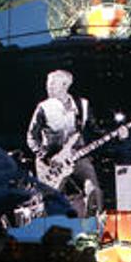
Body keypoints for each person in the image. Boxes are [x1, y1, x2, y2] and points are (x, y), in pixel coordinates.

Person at [26, 69, 103, 216]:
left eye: (53, 84)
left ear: (65, 85)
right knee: (50, 201)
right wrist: (45, 156)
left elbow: (96, 130)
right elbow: (31, 136)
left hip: (77, 156)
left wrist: (120, 133)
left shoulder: (82, 105)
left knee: (94, 190)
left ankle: (93, 222)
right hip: (50, 162)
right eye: (48, 84)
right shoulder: (43, 107)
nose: (48, 87)